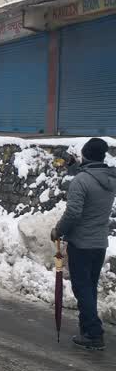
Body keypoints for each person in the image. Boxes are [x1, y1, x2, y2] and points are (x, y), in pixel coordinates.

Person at [52, 138, 116, 350]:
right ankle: (87, 327)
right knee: (89, 287)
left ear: (86, 155)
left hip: (81, 243)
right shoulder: (110, 179)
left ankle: (93, 333)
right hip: (99, 243)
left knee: (82, 288)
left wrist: (58, 231)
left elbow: (73, 213)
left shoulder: (81, 180)